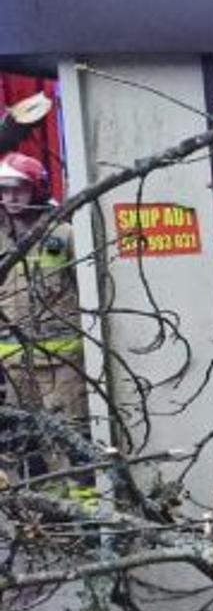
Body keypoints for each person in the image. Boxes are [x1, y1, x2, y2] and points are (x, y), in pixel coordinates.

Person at [0, 151, 84, 445]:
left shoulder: (64, 235)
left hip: (61, 367)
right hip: (14, 369)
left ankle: (81, 493)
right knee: (26, 446)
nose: (10, 196)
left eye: (18, 188)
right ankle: (43, 492)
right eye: (4, 190)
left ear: (37, 188)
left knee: (70, 440)